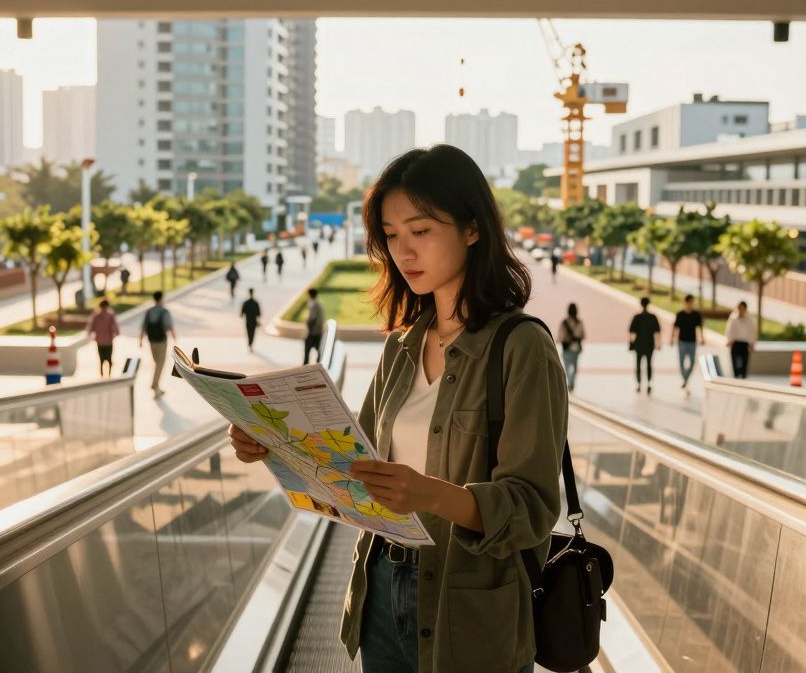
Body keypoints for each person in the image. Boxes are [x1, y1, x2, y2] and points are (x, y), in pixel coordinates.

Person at [228, 144, 565, 673]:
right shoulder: (402, 345)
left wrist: (429, 493)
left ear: (472, 228)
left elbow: (533, 510)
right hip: (379, 590)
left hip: (470, 608)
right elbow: (353, 463)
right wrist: (270, 444)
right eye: (390, 235)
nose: (403, 252)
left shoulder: (521, 347)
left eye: (421, 230)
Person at [138, 291, 177, 396]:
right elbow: (169, 326)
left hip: (151, 340)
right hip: (161, 341)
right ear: (161, 298)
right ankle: (155, 386)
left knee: (157, 363)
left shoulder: (149, 311)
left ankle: (157, 386)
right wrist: (174, 337)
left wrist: (140, 339)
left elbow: (144, 326)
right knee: (160, 363)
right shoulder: (164, 312)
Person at [671, 294, 705, 393]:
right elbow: (675, 327)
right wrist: (672, 338)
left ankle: (685, 379)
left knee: (692, 362)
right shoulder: (680, 314)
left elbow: (700, 327)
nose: (691, 304)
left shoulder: (696, 315)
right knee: (681, 362)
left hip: (692, 342)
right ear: (685, 303)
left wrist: (702, 338)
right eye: (690, 302)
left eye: (692, 302)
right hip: (682, 341)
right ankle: (685, 380)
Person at [628, 296, 661, 394]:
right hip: (649, 344)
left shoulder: (637, 317)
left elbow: (631, 332)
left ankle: (639, 383)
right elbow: (657, 332)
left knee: (638, 364)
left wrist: (631, 342)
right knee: (649, 365)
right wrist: (658, 343)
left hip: (639, 344)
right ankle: (649, 383)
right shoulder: (653, 317)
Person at [85, 299, 120, 376]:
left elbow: (91, 327)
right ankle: (109, 374)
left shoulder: (96, 315)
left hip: (100, 341)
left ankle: (102, 374)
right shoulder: (110, 315)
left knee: (101, 358)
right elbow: (115, 327)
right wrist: (116, 333)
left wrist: (89, 334)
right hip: (108, 341)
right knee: (109, 357)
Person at [725, 300, 758, 379]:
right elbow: (729, 330)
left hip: (745, 343)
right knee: (734, 361)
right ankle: (736, 375)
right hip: (735, 343)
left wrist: (752, 344)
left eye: (742, 309)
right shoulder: (733, 318)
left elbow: (752, 332)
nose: (741, 311)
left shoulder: (750, 320)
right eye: (739, 309)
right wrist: (729, 340)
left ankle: (743, 376)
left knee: (744, 363)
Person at [558, 302, 585, 393]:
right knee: (574, 366)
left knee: (567, 366)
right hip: (576, 348)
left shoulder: (564, 322)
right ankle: (572, 382)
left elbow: (560, 336)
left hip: (566, 348)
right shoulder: (580, 322)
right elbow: (583, 335)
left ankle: (570, 382)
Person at [303, 288, 325, 364]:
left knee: (307, 349)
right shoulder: (318, 304)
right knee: (318, 349)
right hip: (318, 331)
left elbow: (312, 319)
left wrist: (309, 328)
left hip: (313, 332)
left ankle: (305, 366)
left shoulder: (314, 305)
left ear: (309, 295)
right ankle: (319, 364)